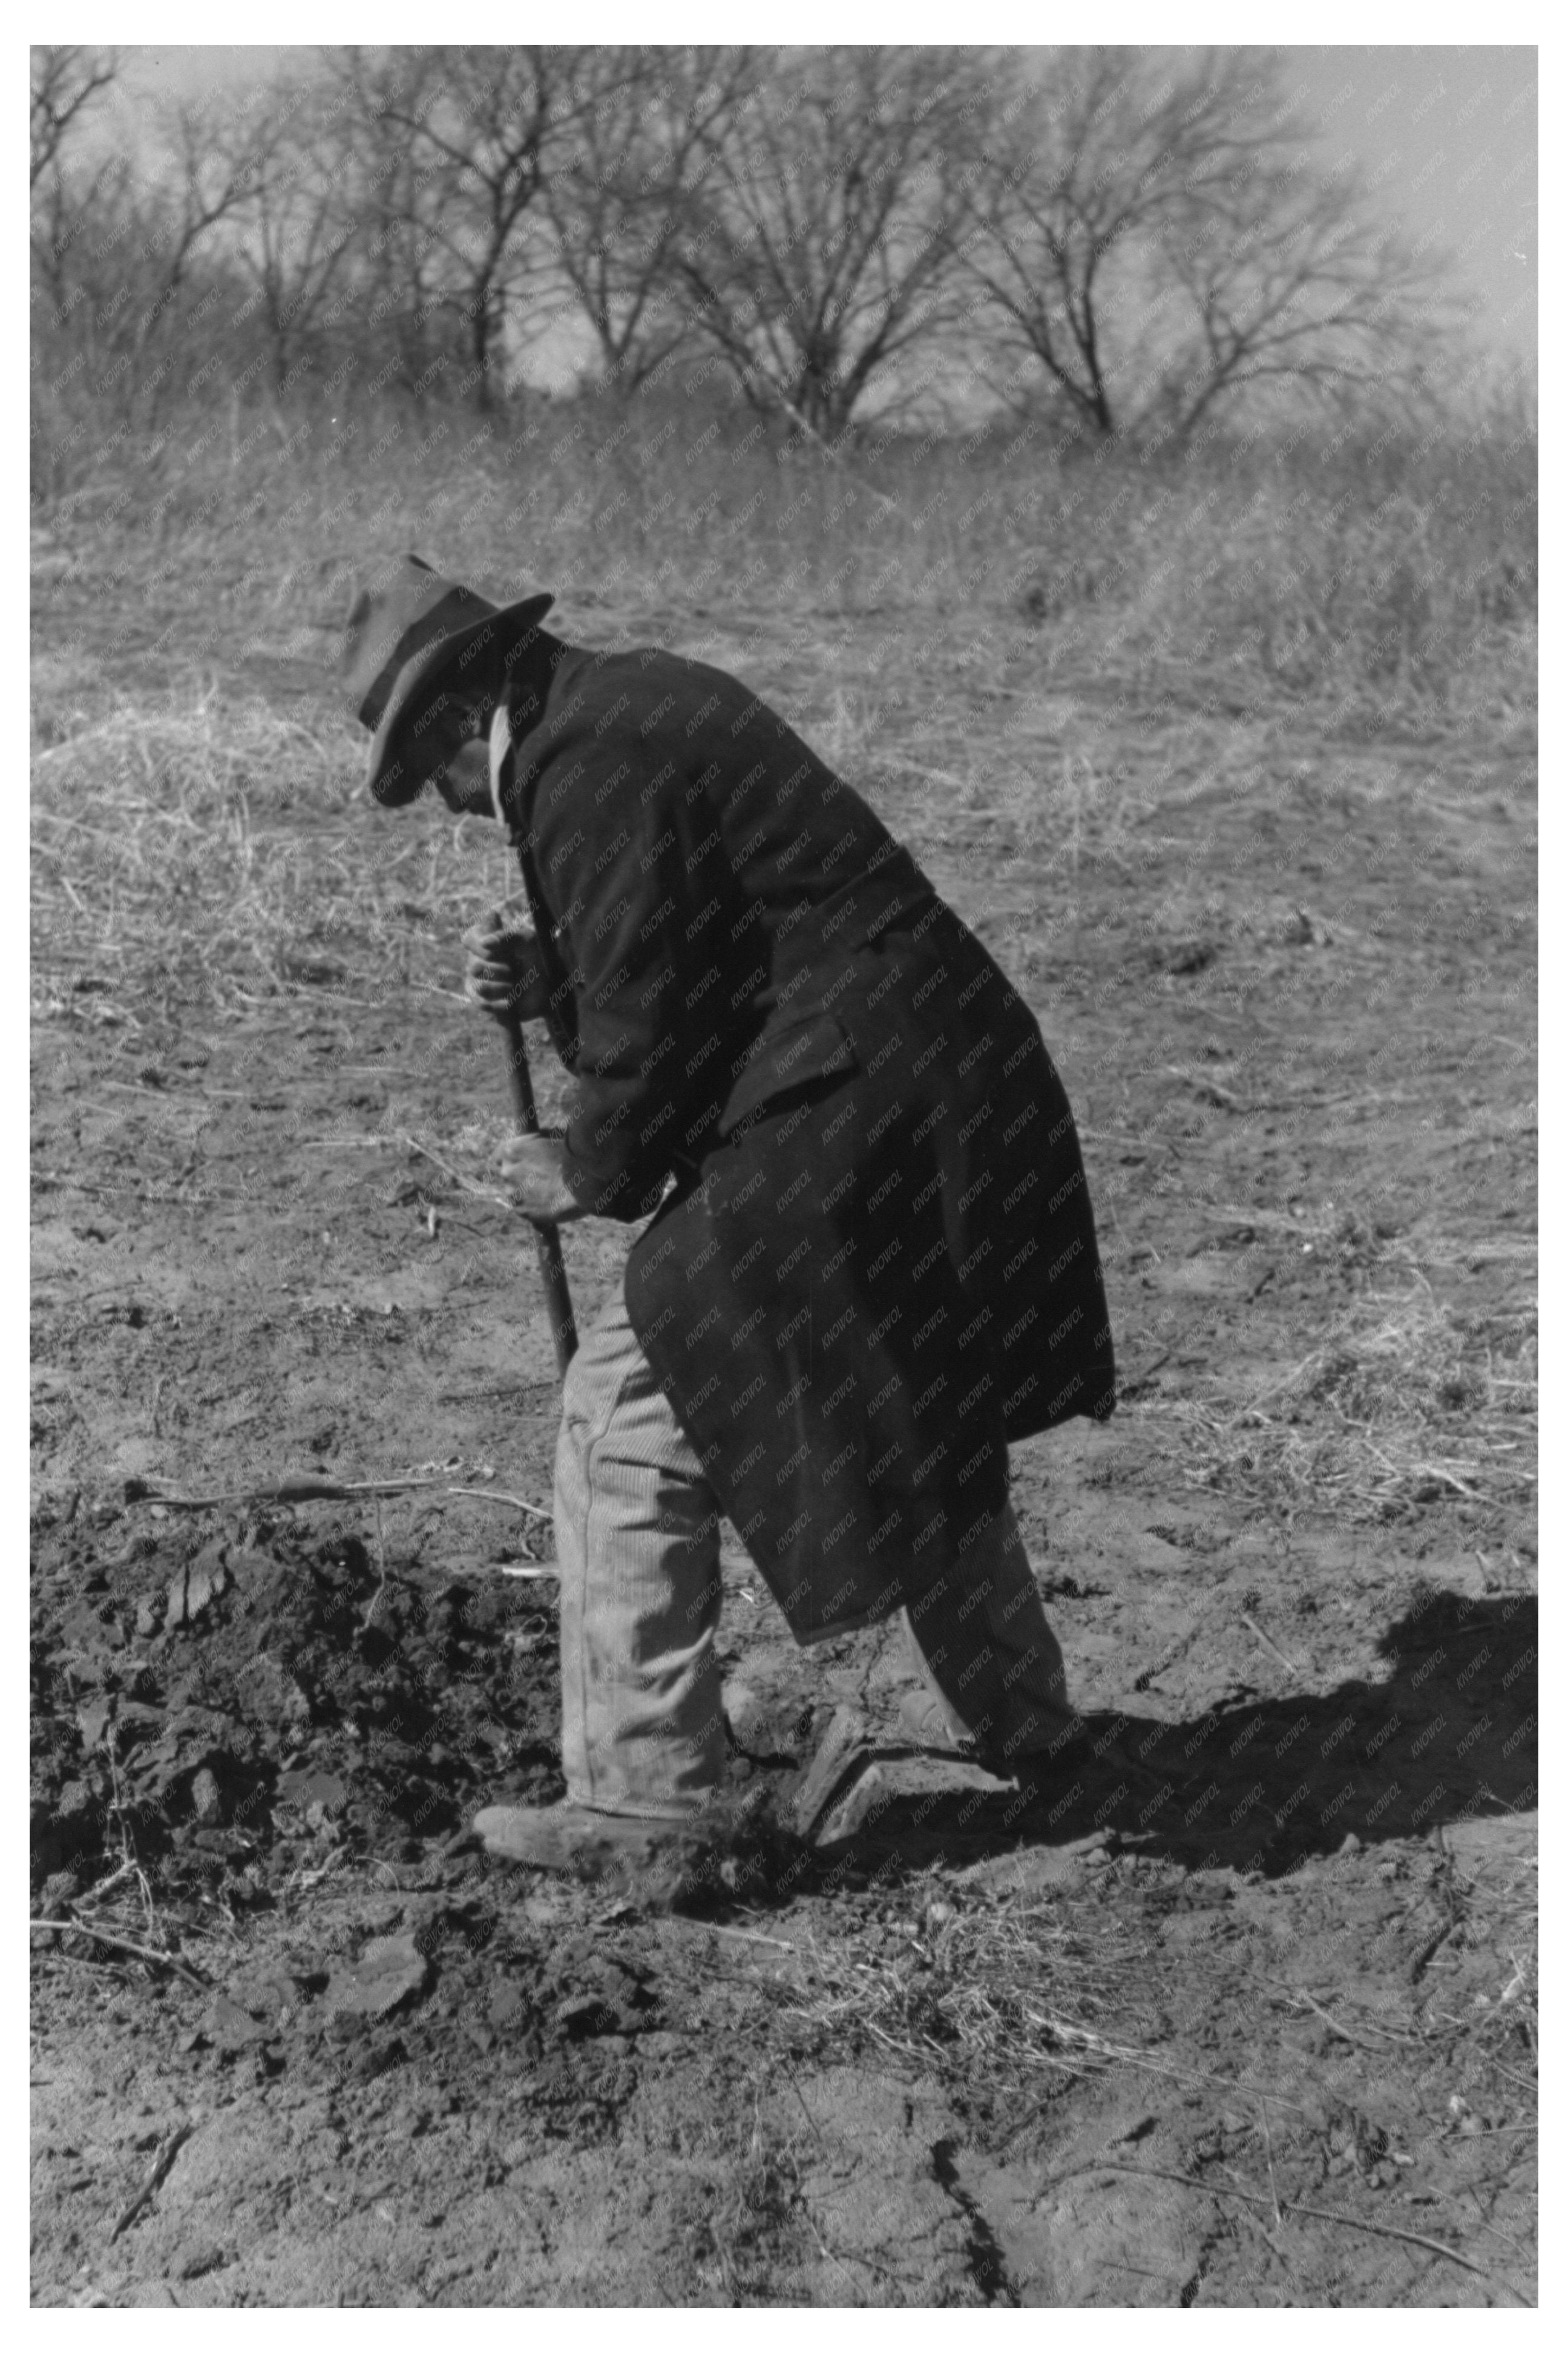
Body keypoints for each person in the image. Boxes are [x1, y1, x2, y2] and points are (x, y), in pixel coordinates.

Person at [341, 556, 1120, 1892]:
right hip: (925, 1079)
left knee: (624, 1410)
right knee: (906, 1394)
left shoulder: (582, 759)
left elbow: (657, 1038)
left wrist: (579, 1171)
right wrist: (553, 979)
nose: (450, 806)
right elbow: (699, 949)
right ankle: (1039, 1736)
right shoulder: (621, 712)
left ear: (465, 710)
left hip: (855, 1097)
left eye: (432, 772)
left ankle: (649, 1805)